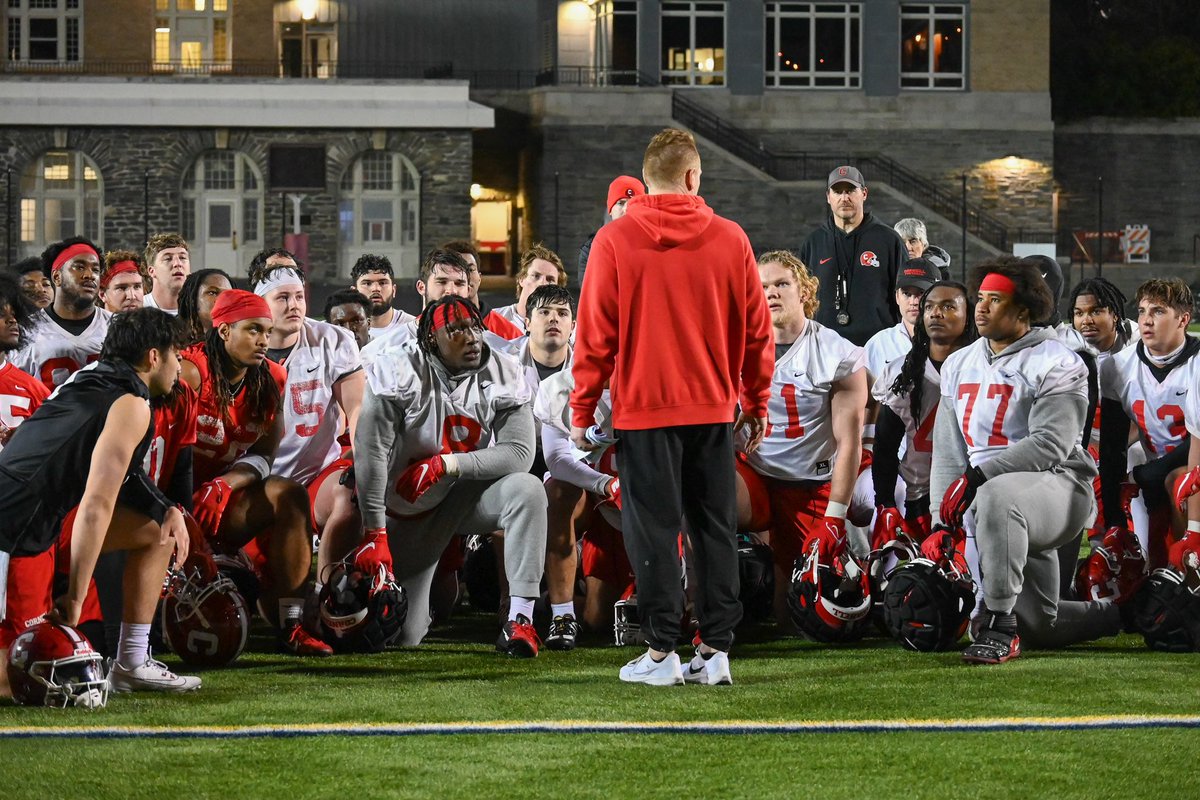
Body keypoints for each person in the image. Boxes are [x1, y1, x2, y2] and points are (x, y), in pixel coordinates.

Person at [571, 128, 773, 686]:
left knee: (652, 531)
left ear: (648, 178)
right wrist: (755, 401)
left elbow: (594, 336)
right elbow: (758, 333)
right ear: (691, 177)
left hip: (644, 412)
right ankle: (715, 653)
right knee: (713, 530)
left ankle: (661, 652)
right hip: (711, 410)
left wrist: (583, 407)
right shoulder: (732, 239)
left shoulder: (614, 241)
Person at [930, 256, 1122, 664]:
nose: (980, 308)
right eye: (979, 298)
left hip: (1058, 487)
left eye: (994, 300)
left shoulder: (1058, 359)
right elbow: (947, 453)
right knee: (1040, 623)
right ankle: (1119, 615)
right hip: (991, 496)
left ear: (1023, 310)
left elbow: (1051, 444)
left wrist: (978, 476)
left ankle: (1000, 625)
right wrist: (938, 520)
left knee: (999, 497)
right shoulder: (960, 363)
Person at [0, 307, 200, 695]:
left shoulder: (91, 378)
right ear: (153, 356)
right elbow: (96, 504)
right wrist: (75, 596)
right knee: (18, 678)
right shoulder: (130, 403)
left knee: (159, 532)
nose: (180, 365)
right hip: (14, 531)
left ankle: (132, 662)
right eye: (176, 353)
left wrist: (166, 508)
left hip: (42, 522)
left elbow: (122, 476)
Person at [354, 296, 547, 655]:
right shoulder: (397, 368)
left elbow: (520, 453)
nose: (471, 337)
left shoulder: (503, 369)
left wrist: (446, 464)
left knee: (528, 490)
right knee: (400, 634)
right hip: (409, 509)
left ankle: (520, 619)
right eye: (456, 329)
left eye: (474, 326)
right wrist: (374, 532)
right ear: (430, 340)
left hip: (463, 493)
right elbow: (372, 453)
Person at [181, 289, 331, 656]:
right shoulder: (190, 370)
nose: (263, 340)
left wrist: (227, 482)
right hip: (171, 495)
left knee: (289, 495)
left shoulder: (272, 378)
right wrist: (179, 507)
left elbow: (266, 452)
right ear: (223, 330)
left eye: (266, 330)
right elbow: (167, 449)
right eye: (252, 330)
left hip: (220, 496)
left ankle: (290, 623)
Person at [746, 250, 868, 623]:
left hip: (807, 483)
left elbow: (850, 441)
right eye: (763, 286)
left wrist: (835, 514)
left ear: (805, 291)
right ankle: (701, 604)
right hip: (753, 474)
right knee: (701, 495)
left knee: (793, 614)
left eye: (782, 283)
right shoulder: (737, 345)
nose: (772, 292)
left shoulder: (836, 353)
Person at [250, 254, 365, 584]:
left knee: (351, 490)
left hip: (318, 473)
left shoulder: (332, 339)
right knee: (266, 586)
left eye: (299, 296)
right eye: (282, 298)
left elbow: (357, 407)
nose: (294, 305)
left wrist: (359, 456)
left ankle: (330, 586)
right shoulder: (239, 345)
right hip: (258, 481)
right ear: (260, 302)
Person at [1098, 279, 1196, 569]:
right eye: (1141, 311)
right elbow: (1112, 445)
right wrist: (1113, 516)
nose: (1146, 320)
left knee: (1177, 484)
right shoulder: (1118, 366)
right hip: (1154, 473)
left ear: (1183, 319)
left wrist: (1150, 473)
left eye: (1158, 311)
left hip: (1189, 471)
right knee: (1154, 564)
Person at [871, 281, 976, 546]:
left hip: (973, 491)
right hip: (920, 495)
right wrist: (885, 502)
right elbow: (885, 446)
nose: (935, 313)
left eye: (948, 306)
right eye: (929, 306)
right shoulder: (902, 374)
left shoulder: (983, 370)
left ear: (969, 316)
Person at [799, 166, 908, 346]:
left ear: (864, 193)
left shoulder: (888, 240)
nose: (844, 198)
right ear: (828, 197)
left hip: (877, 347)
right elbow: (802, 298)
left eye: (850, 190)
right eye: (837, 191)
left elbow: (904, 294)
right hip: (824, 347)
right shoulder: (813, 242)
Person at [12, 236, 111, 390]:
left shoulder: (117, 325)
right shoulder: (26, 330)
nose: (89, 275)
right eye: (79, 267)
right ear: (57, 277)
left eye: (95, 269)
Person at [863, 257, 940, 383]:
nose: (913, 302)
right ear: (897, 297)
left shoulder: (949, 343)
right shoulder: (879, 344)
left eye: (921, 293)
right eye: (906, 294)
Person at [442, 239, 523, 340]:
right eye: (456, 270)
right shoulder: (425, 326)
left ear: (479, 277)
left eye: (470, 270)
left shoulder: (510, 333)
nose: (463, 277)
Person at [578, 175, 645, 287]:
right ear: (610, 209)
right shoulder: (590, 249)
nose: (626, 209)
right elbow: (589, 293)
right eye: (621, 203)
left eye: (633, 203)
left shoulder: (654, 244)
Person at [494, 245, 569, 334]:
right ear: (521, 279)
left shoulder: (565, 328)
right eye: (536, 276)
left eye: (550, 279)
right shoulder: (494, 319)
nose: (542, 283)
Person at [351, 253, 414, 340]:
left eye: (383, 283)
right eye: (367, 283)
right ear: (354, 292)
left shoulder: (413, 328)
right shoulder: (341, 330)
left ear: (394, 290)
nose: (376, 288)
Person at [177, 268, 233, 345]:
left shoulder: (241, 348)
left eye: (228, 294)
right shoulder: (171, 344)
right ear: (192, 300)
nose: (223, 299)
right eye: (213, 293)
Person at [142, 233, 191, 315]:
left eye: (182, 258)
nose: (177, 264)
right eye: (168, 259)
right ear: (151, 271)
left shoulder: (201, 310)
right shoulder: (137, 309)